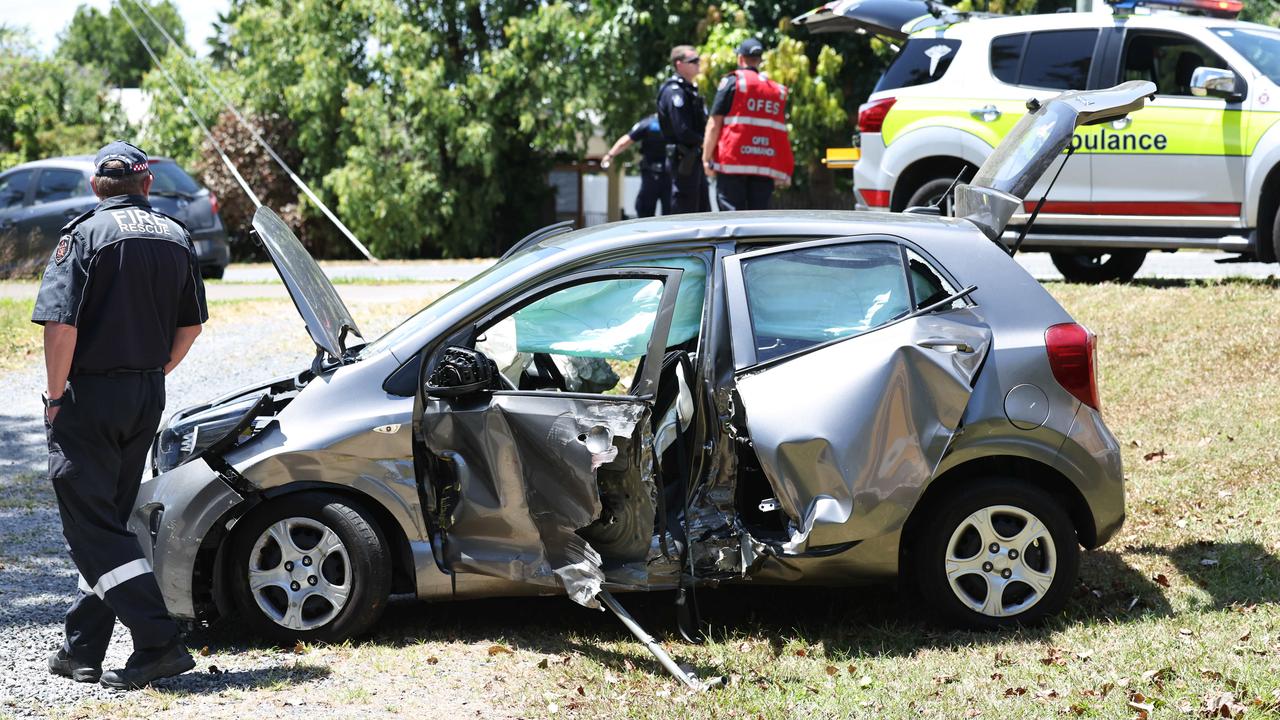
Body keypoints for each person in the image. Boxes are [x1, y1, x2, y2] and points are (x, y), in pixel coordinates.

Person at [33, 140, 207, 690]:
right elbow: (192, 326)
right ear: (147, 184)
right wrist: (154, 373)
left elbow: (61, 327)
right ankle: (80, 650)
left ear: (95, 187)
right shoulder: (178, 236)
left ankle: (159, 642)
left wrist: (55, 396)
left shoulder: (82, 236)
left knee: (93, 530)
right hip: (143, 396)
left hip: (88, 399)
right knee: (109, 521)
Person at [702, 38, 795, 211]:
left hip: (732, 163)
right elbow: (780, 132)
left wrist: (706, 158)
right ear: (759, 60)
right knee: (758, 220)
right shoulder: (775, 90)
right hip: (763, 164)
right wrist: (785, 167)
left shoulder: (732, 82)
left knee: (732, 219)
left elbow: (714, 124)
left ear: (740, 58)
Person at [657, 45, 710, 214]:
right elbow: (683, 130)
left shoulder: (689, 90)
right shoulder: (675, 91)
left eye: (698, 60)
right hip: (684, 159)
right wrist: (706, 142)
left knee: (701, 209)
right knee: (686, 210)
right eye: (693, 61)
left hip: (694, 157)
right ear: (679, 64)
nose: (698, 64)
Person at [601, 114, 671, 217]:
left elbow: (625, 141)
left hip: (651, 175)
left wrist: (610, 155)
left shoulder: (648, 123)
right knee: (672, 215)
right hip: (671, 174)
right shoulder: (675, 122)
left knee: (644, 213)